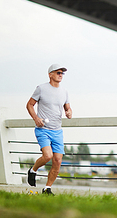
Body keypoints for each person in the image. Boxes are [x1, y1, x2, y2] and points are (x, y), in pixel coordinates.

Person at [26, 64, 72, 195]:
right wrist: (36, 118)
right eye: (58, 72)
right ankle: (33, 170)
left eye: (62, 73)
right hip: (43, 129)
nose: (60, 75)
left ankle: (47, 188)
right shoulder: (41, 88)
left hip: (57, 131)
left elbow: (68, 108)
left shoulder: (64, 91)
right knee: (48, 156)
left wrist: (69, 112)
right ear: (50, 74)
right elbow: (29, 104)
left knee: (57, 161)